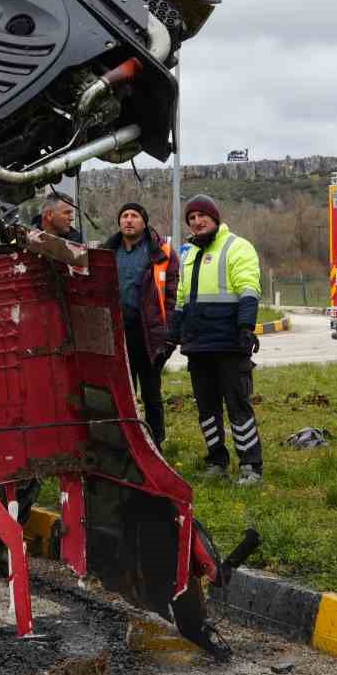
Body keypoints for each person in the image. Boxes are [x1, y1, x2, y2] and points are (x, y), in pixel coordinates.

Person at [166, 195, 265, 485]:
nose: (197, 222)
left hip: (229, 342)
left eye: (201, 216)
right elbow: (182, 300)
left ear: (215, 217)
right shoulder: (188, 254)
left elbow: (249, 288)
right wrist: (172, 335)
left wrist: (246, 327)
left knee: (238, 405)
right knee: (206, 408)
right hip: (198, 345)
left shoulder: (237, 247)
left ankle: (251, 465)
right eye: (191, 218)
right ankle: (216, 460)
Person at [100, 201, 178, 446]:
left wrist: (169, 334)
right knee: (122, 393)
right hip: (117, 333)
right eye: (124, 216)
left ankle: (157, 441)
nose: (129, 220)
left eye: (134, 216)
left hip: (148, 334)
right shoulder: (107, 252)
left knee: (151, 391)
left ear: (144, 222)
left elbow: (174, 295)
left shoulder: (161, 251)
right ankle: (129, 443)